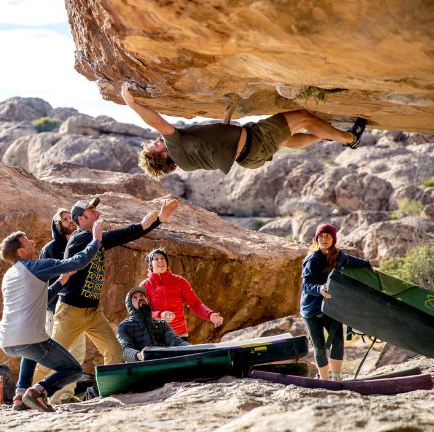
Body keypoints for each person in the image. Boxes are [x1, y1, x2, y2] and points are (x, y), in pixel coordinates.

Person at [36, 196, 180, 377]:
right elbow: (118, 236)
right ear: (82, 219)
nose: (98, 213)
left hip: (93, 311)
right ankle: (27, 393)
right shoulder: (80, 238)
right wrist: (148, 223)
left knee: (114, 351)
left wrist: (158, 219)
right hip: (71, 311)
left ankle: (109, 389)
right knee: (54, 358)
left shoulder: (93, 238)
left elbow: (121, 237)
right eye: (92, 211)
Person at [120, 82, 368, 178]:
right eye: (155, 145)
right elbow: (157, 122)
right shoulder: (174, 145)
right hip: (255, 141)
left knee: (288, 140)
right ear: (161, 155)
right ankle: (349, 138)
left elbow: (217, 145)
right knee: (302, 117)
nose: (156, 141)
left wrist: (227, 116)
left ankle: (325, 136)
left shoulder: (185, 162)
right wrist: (132, 104)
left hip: (249, 157)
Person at [0, 220, 103, 412]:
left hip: (7, 341)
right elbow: (78, 261)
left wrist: (62, 281)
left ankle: (20, 397)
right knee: (74, 370)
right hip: (29, 339)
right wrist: (95, 240)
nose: (32, 241)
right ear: (20, 252)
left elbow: (41, 300)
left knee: (29, 353)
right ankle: (38, 391)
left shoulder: (10, 274)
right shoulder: (36, 266)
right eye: (27, 241)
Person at [301, 223, 371, 381]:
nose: (324, 239)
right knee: (319, 348)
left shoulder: (338, 256)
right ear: (316, 239)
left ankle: (336, 378)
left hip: (332, 307)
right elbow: (306, 286)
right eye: (321, 236)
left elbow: (352, 261)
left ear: (333, 239)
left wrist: (368, 265)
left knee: (338, 342)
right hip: (311, 309)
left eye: (327, 236)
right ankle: (324, 380)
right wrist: (319, 289)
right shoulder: (312, 259)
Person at [37, 208, 87, 404]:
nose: (70, 221)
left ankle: (66, 395)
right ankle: (50, 397)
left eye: (70, 218)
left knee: (77, 353)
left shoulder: (79, 244)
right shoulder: (50, 249)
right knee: (57, 355)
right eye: (65, 219)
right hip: (55, 308)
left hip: (77, 306)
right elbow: (42, 280)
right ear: (58, 225)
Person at [140, 248, 223, 342]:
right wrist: (160, 315)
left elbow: (195, 303)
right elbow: (142, 312)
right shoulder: (145, 286)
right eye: (156, 259)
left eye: (163, 258)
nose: (160, 261)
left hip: (180, 335)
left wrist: (209, 315)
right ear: (150, 264)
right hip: (157, 336)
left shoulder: (179, 281)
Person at [117, 287, 190, 362]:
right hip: (141, 369)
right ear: (130, 305)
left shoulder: (162, 324)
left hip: (164, 364)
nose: (140, 298)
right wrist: (139, 355)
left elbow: (176, 342)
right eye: (135, 297)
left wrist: (192, 348)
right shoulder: (124, 326)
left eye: (142, 296)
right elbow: (125, 350)